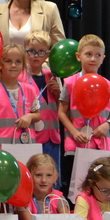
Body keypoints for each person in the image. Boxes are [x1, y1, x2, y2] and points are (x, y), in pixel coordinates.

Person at [57, 34, 110, 155]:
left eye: (98, 55)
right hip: (76, 144)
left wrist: (107, 125)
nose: (93, 59)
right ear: (78, 56)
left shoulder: (109, 86)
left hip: (101, 144)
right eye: (88, 54)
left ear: (103, 59)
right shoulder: (70, 83)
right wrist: (74, 132)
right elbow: (61, 112)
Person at [0, 45, 41, 150]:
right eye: (8, 61)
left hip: (25, 148)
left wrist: (30, 116)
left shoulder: (30, 90)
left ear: (23, 65)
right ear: (0, 64)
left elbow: (37, 115)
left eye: (18, 61)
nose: (13, 65)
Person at [21, 31, 63, 163]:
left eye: (41, 52)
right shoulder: (20, 77)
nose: (36, 56)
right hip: (31, 136)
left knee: (52, 170)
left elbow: (61, 108)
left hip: (52, 136)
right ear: (25, 52)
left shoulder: (52, 76)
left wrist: (57, 93)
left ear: (47, 55)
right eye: (31, 51)